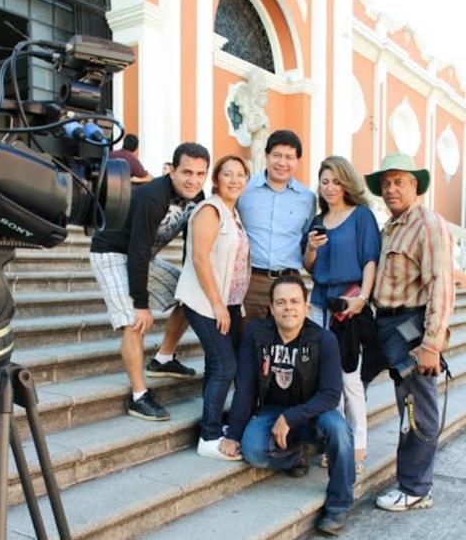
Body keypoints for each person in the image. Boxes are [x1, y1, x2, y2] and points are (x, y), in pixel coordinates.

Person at [220, 275, 356, 536]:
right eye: (281, 302)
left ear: (306, 307)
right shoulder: (256, 335)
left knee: (339, 430)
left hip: (316, 411)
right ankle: (299, 454)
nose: (288, 307)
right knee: (254, 451)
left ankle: (339, 504)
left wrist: (291, 417)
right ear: (271, 308)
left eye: (295, 301)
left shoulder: (324, 339)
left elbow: (330, 395)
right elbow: (246, 386)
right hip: (272, 410)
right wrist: (234, 434)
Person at [90, 142, 210, 421]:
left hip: (142, 256)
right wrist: (141, 303)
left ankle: (163, 358)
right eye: (187, 172)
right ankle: (139, 396)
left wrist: (190, 276)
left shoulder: (197, 196)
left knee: (190, 294)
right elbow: (138, 250)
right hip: (112, 252)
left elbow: (189, 243)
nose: (193, 180)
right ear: (171, 171)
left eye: (200, 173)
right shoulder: (153, 197)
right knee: (134, 322)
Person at [364, 153, 454, 512]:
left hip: (410, 327)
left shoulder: (429, 225)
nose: (390, 189)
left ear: (415, 185)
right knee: (348, 377)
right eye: (385, 183)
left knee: (416, 407)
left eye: (398, 181)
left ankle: (415, 488)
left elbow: (441, 286)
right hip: (381, 321)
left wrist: (431, 344)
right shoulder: (391, 226)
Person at [303, 156, 381, 473]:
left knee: (350, 381)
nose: (330, 187)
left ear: (347, 183)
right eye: (325, 181)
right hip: (319, 304)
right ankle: (336, 443)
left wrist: (362, 298)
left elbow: (370, 261)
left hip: (348, 305)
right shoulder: (317, 221)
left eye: (336, 181)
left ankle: (357, 447)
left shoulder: (361, 216)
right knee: (327, 382)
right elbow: (309, 266)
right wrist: (310, 247)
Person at [176, 156, 251, 459]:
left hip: (230, 303)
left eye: (240, 175)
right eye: (227, 175)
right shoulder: (210, 209)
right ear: (216, 180)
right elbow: (200, 258)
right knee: (225, 366)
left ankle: (213, 424)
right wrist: (218, 305)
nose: (234, 180)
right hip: (205, 302)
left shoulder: (234, 213)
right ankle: (208, 437)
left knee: (216, 365)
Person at [237, 130, 316, 321]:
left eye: (289, 157)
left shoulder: (307, 198)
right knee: (248, 340)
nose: (282, 163)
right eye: (277, 155)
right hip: (251, 281)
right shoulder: (244, 189)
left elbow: (306, 239)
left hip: (290, 282)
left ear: (297, 161)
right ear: (266, 155)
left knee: (287, 345)